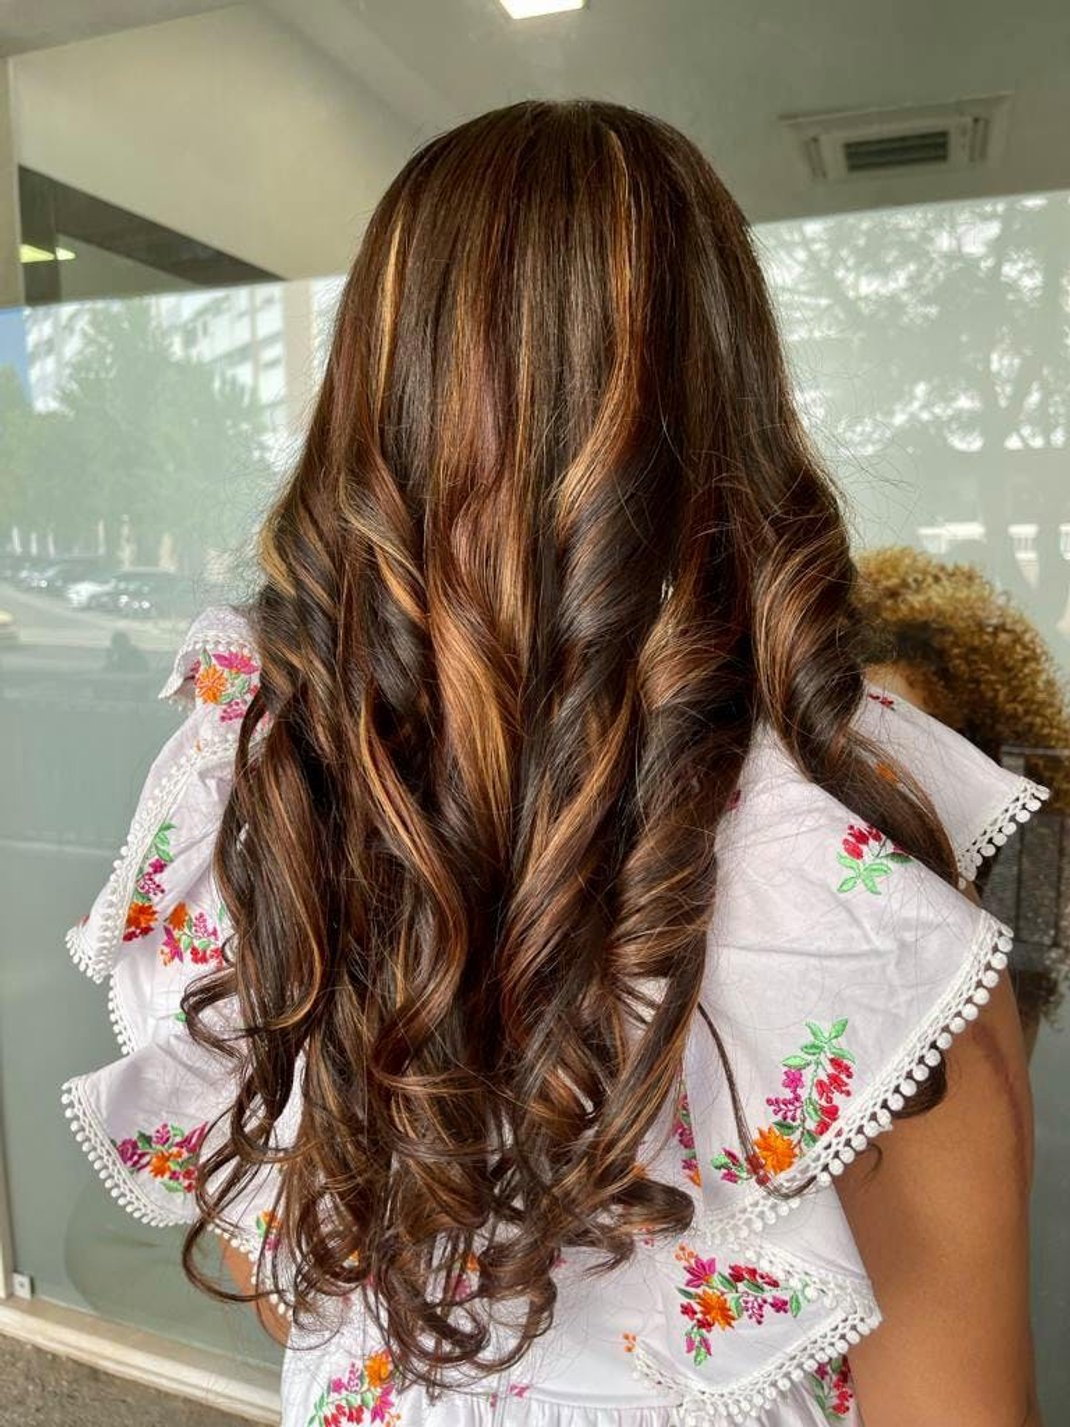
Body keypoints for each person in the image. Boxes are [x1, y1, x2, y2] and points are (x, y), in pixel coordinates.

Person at [60, 101, 1048, 1427]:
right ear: (727, 403)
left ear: (377, 408)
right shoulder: (845, 893)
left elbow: (286, 1281)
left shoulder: (289, 795)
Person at [853, 545, 1070, 1053]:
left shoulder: (1023, 866)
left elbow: (1013, 1047)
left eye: (915, 745)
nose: (884, 775)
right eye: (863, 746)